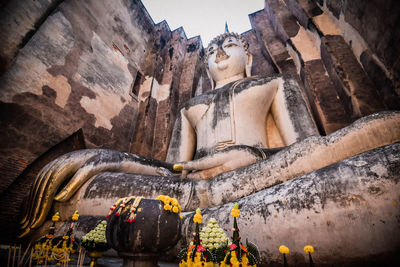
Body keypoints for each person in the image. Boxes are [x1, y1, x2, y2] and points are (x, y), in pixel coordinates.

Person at [17, 32, 322, 237]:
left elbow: (310, 152)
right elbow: (171, 172)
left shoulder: (273, 84)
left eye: (228, 44)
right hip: (188, 193)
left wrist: (253, 155)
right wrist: (115, 160)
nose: (217, 52)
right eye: (211, 50)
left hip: (255, 181)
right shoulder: (191, 107)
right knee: (77, 190)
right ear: (205, 66)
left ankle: (174, 232)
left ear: (248, 56)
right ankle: (187, 230)